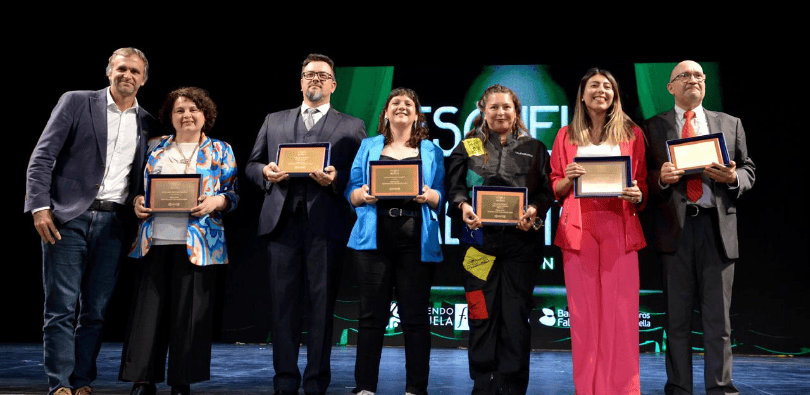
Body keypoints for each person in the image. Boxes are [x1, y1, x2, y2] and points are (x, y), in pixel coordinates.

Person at [24, 47, 156, 395]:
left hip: (115, 225)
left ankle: (82, 381)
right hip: (68, 218)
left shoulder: (147, 122)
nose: (128, 76)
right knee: (61, 308)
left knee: (95, 311)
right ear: (109, 71)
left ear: (144, 79)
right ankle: (60, 384)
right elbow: (42, 157)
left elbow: (143, 179)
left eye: (135, 72)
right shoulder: (76, 101)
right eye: (122, 69)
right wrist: (40, 207)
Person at [246, 53, 366, 395]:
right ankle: (284, 380)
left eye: (322, 75)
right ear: (300, 81)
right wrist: (266, 173)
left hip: (326, 226)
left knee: (321, 307)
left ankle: (316, 382)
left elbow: (359, 175)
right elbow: (252, 164)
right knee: (283, 306)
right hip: (281, 225)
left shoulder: (351, 125)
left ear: (333, 84)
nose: (315, 79)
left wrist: (337, 178)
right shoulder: (274, 120)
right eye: (309, 74)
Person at [118, 87, 238, 395]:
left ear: (205, 115)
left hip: (199, 244)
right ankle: (143, 380)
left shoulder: (222, 150)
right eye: (180, 110)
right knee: (148, 317)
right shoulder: (153, 148)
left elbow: (233, 194)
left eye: (193, 110)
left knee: (190, 317)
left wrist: (217, 202)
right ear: (170, 117)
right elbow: (135, 189)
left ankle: (182, 381)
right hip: (154, 240)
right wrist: (137, 203)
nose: (187, 115)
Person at [646, 60, 755, 395]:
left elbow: (748, 169)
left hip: (716, 229)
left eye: (699, 76)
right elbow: (642, 177)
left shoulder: (730, 123)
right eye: (685, 76)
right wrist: (660, 179)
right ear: (670, 87)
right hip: (675, 231)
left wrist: (734, 177)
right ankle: (678, 388)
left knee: (718, 321)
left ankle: (720, 388)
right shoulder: (652, 127)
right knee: (676, 320)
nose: (693, 80)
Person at [446, 84, 553, 395]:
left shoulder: (534, 147)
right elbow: (454, 188)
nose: (501, 112)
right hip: (477, 245)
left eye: (506, 106)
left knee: (516, 316)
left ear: (516, 110)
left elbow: (546, 192)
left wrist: (533, 209)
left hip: (522, 247)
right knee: (480, 311)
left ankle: (512, 384)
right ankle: (483, 381)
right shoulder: (468, 146)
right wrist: (464, 206)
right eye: (493, 107)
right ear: (483, 111)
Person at [549, 68, 647, 395]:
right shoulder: (565, 135)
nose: (601, 90)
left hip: (619, 224)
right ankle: (588, 389)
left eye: (607, 86)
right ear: (582, 93)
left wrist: (638, 194)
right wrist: (568, 177)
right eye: (594, 85)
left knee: (620, 315)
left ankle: (622, 390)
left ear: (615, 95)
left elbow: (642, 183)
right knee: (584, 318)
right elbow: (555, 185)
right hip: (579, 228)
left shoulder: (632, 134)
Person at [346, 88, 444, 395]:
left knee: (415, 318)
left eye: (408, 104)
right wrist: (360, 195)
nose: (401, 107)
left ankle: (416, 388)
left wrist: (430, 195)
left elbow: (442, 195)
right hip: (373, 239)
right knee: (371, 317)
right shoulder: (368, 145)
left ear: (416, 115)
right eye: (395, 103)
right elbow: (352, 188)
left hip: (415, 238)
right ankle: (365, 388)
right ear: (385, 113)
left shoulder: (432, 151)